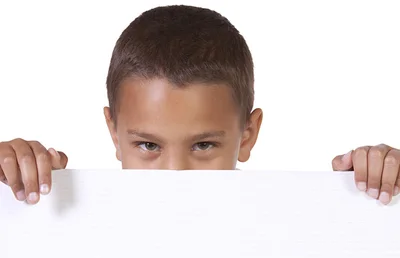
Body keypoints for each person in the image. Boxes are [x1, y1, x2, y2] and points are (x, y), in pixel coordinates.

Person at [0, 5, 399, 205]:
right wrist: (12, 176)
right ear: (113, 132)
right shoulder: (62, 221)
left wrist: (383, 181)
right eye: (149, 146)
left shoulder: (296, 227)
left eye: (203, 145)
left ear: (248, 134)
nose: (175, 175)